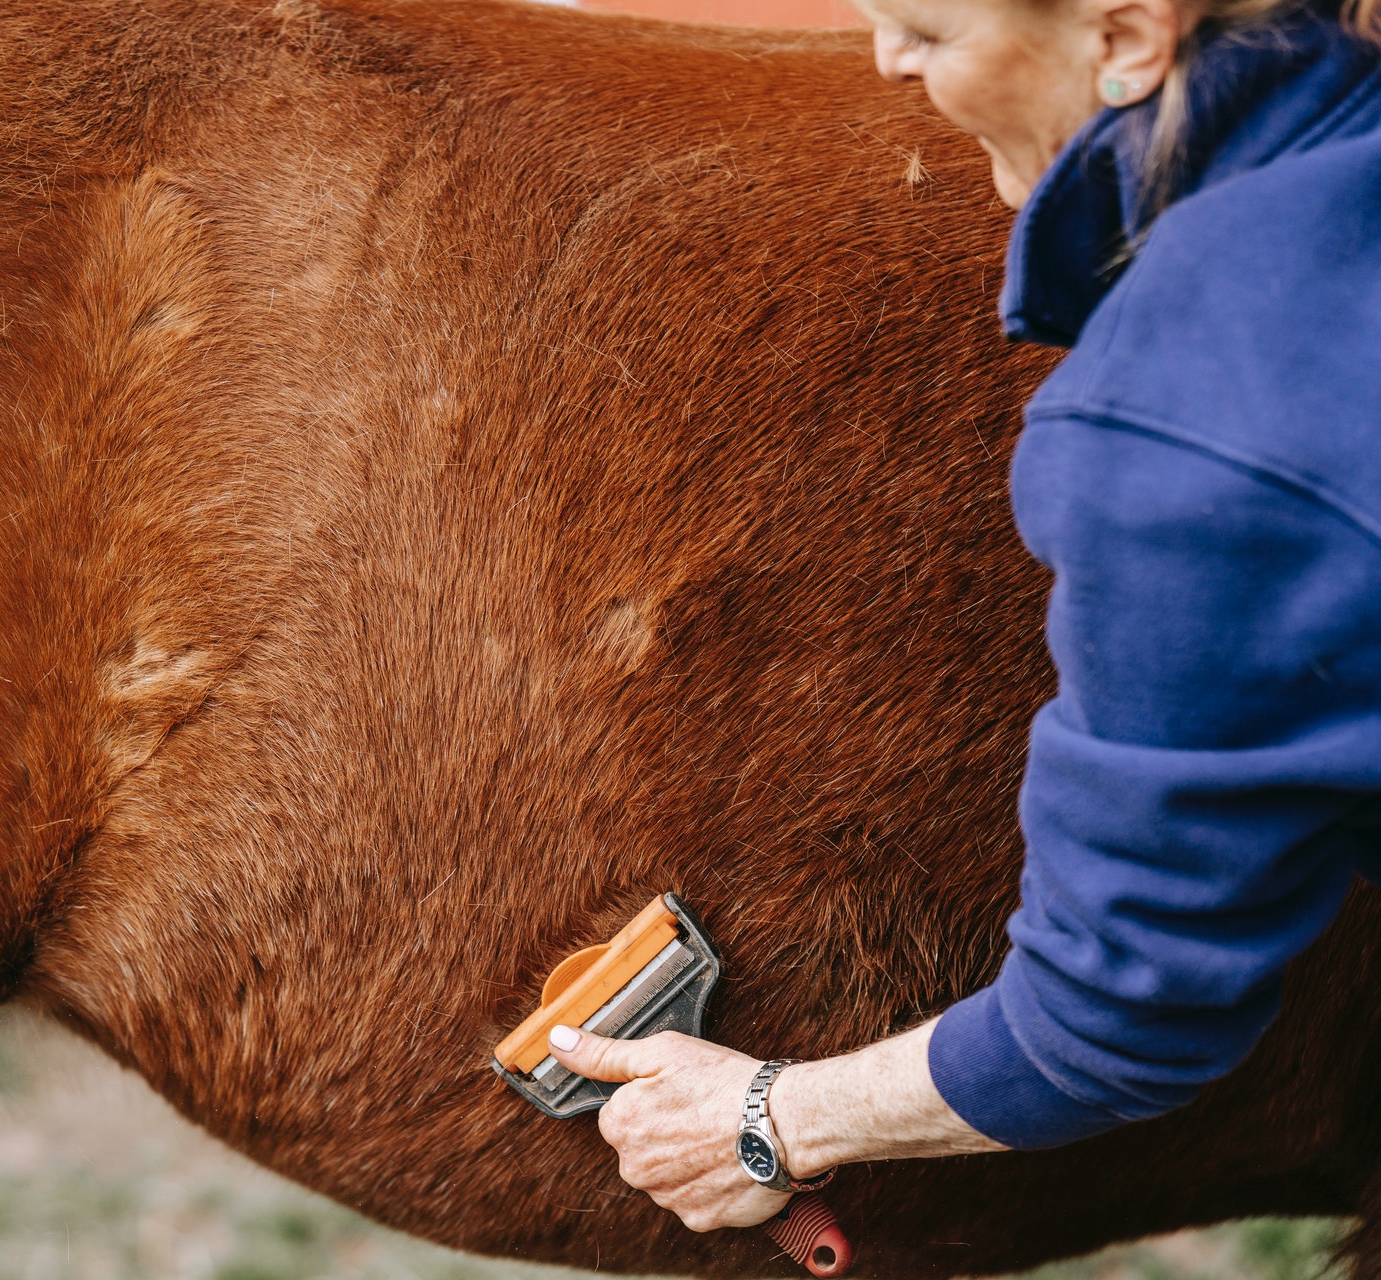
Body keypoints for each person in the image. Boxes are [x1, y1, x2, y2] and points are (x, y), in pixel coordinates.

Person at [546, 0, 1381, 1231]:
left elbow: (1118, 1009)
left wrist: (774, 1118)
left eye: (928, 35)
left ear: (1129, 38)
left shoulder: (1183, 422)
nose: (885, 60)